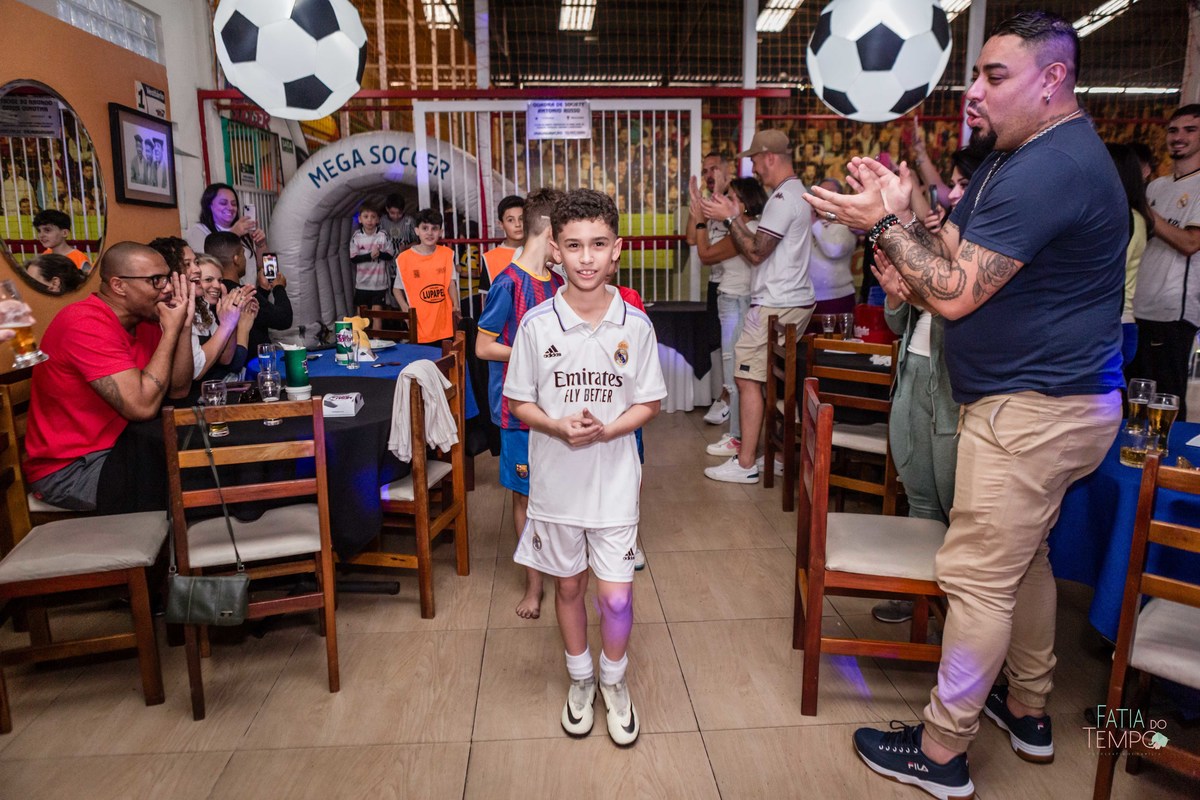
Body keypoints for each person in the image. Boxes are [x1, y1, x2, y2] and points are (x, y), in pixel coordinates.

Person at [806, 13, 1125, 798]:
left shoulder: (1053, 166)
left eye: (994, 76)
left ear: (1052, 80)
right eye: (975, 75)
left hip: (1032, 411)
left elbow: (951, 294)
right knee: (1027, 564)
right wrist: (909, 212)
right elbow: (958, 255)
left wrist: (880, 222)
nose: (974, 92)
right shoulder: (1022, 159)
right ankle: (1029, 707)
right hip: (1059, 404)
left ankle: (942, 752)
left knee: (978, 579)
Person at [505, 188, 666, 745]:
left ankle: (614, 681)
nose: (587, 257)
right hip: (555, 488)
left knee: (616, 596)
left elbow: (649, 402)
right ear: (555, 249)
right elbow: (519, 401)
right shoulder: (535, 325)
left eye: (598, 244)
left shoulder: (636, 325)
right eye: (574, 246)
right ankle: (580, 679)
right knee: (569, 589)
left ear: (617, 248)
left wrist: (608, 428)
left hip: (616, 483)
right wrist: (555, 426)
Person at [870, 144, 985, 626]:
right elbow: (900, 324)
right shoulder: (944, 236)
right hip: (913, 372)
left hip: (950, 385)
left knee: (952, 501)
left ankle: (955, 605)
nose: (952, 192)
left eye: (961, 183)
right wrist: (898, 295)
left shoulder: (984, 245)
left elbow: (966, 312)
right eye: (953, 183)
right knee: (916, 487)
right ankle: (916, 592)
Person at [23, 242, 195, 513]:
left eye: (167, 279)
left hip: (125, 447)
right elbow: (142, 407)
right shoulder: (84, 323)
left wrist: (183, 328)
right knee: (198, 480)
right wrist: (170, 333)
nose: (168, 288)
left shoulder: (144, 320)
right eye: (156, 280)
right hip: (73, 470)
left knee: (205, 460)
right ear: (118, 285)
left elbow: (179, 389)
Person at [699, 129, 815, 483]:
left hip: (777, 301)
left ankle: (746, 463)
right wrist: (735, 213)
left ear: (770, 157)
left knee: (745, 376)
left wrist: (731, 218)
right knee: (771, 381)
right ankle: (774, 456)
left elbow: (754, 252)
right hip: (790, 299)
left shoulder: (782, 199)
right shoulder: (796, 193)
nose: (753, 166)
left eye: (754, 159)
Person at [476, 188, 564, 620]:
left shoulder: (558, 283)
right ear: (548, 233)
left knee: (558, 489)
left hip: (557, 407)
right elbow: (482, 347)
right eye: (564, 236)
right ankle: (533, 585)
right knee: (525, 496)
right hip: (516, 409)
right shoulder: (507, 283)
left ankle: (563, 567)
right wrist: (533, 352)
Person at [1130, 104, 1200, 418]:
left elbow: (1190, 243)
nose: (1178, 137)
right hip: (1138, 310)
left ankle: (1170, 466)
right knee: (1133, 400)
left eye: (1190, 130)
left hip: (1173, 315)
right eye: (1173, 130)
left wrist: (1147, 215)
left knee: (1165, 403)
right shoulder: (1156, 187)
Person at [689, 177, 767, 459]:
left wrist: (699, 220)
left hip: (738, 302)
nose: (723, 200)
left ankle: (737, 438)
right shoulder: (740, 227)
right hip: (732, 300)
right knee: (733, 370)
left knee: (736, 372)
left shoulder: (747, 229)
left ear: (745, 203)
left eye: (730, 197)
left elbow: (706, 255)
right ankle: (737, 435)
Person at [149, 236, 250, 382]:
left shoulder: (201, 307)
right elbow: (195, 371)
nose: (197, 269)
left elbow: (226, 358)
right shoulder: (169, 310)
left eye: (196, 262)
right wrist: (227, 325)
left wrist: (230, 319)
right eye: (187, 264)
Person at [685, 152, 733, 426]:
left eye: (714, 169)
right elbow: (692, 237)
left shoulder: (736, 202)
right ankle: (725, 394)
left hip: (739, 286)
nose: (709, 175)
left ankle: (728, 397)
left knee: (732, 344)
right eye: (705, 171)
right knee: (719, 341)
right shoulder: (708, 203)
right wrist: (696, 206)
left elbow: (705, 253)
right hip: (717, 282)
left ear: (728, 172)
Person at [1106, 143, 1150, 372]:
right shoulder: (1133, 217)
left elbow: (1108, 271)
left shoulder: (1126, 218)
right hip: (1119, 324)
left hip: (1115, 326)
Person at [393, 208, 459, 344]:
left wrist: (456, 306)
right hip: (419, 323)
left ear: (440, 232)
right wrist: (406, 310)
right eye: (425, 228)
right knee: (422, 362)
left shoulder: (447, 254)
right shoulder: (404, 258)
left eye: (434, 228)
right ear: (417, 230)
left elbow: (451, 283)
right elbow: (396, 289)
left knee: (445, 361)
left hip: (444, 322)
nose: (429, 233)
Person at [199, 236, 258, 382]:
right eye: (208, 280)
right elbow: (232, 363)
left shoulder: (211, 310)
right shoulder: (196, 316)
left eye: (219, 280)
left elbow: (228, 359)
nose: (217, 286)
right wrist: (241, 326)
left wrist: (239, 322)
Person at [185, 183, 266, 286]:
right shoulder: (198, 232)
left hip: (250, 293)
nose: (230, 208)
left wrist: (261, 245)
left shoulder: (243, 231)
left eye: (234, 204)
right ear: (209, 205)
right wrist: (234, 234)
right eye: (223, 203)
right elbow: (207, 266)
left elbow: (259, 266)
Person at [805, 177, 857, 333]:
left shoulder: (845, 224)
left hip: (837, 298)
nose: (823, 198)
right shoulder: (808, 224)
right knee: (807, 351)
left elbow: (834, 250)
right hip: (808, 298)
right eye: (820, 194)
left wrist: (814, 222)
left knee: (835, 353)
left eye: (829, 193)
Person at [348, 199, 396, 309]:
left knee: (376, 314)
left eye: (373, 217)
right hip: (362, 283)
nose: (369, 220)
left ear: (378, 220)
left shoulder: (383, 235)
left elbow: (390, 255)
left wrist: (379, 254)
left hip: (379, 284)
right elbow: (353, 258)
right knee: (362, 315)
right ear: (360, 219)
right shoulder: (357, 237)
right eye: (366, 216)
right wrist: (369, 256)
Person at [33, 209, 92, 274]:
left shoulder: (79, 259)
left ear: (64, 233)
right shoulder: (43, 257)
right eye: (39, 231)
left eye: (47, 230)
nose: (41, 235)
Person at [483, 194, 526, 284]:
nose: (517, 224)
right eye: (510, 220)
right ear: (501, 224)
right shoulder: (489, 258)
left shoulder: (539, 252)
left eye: (521, 218)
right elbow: (488, 297)